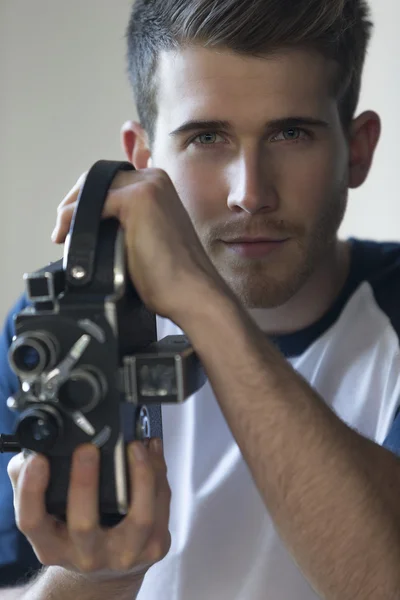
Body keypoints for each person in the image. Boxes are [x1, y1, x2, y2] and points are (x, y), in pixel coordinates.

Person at [1, 0, 400, 598]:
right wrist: (102, 574)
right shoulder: (58, 330)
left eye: (291, 133)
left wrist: (202, 300)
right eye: (207, 136)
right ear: (143, 159)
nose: (250, 193)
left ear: (358, 150)